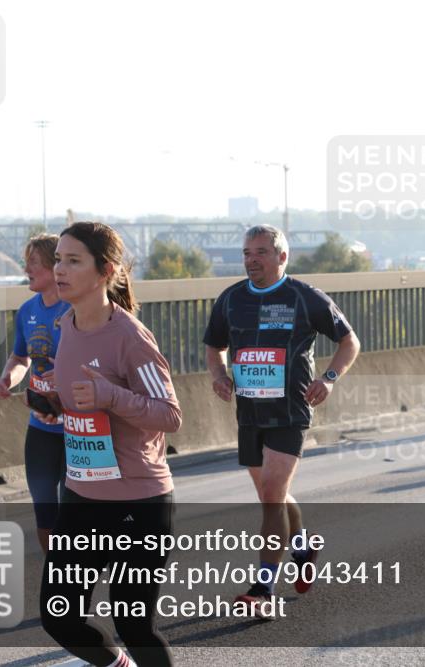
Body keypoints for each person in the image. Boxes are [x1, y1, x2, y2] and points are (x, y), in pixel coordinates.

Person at [36, 222, 182, 667]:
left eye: (73, 260)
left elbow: (169, 415)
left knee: (134, 625)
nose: (60, 269)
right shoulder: (66, 324)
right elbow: (87, 402)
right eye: (58, 259)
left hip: (138, 501)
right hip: (82, 495)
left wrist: (110, 396)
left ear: (106, 271)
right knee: (58, 616)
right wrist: (57, 405)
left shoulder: (130, 337)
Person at [203, 224, 360, 616]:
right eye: (246, 253)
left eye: (260, 252)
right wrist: (219, 375)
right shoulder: (231, 299)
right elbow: (213, 345)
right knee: (271, 495)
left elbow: (348, 341)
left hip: (291, 410)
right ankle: (304, 547)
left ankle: (263, 589)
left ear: (281, 257)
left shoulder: (304, 298)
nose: (251, 259)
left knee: (272, 494)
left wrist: (329, 378)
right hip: (250, 413)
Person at [0, 234, 70, 553]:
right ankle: (57, 569)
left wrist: (66, 374)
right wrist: (7, 378)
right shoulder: (26, 311)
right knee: (44, 511)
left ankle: (79, 571)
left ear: (55, 268)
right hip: (40, 425)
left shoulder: (76, 308)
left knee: (75, 509)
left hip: (76, 427)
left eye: (33, 262)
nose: (26, 269)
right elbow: (22, 357)